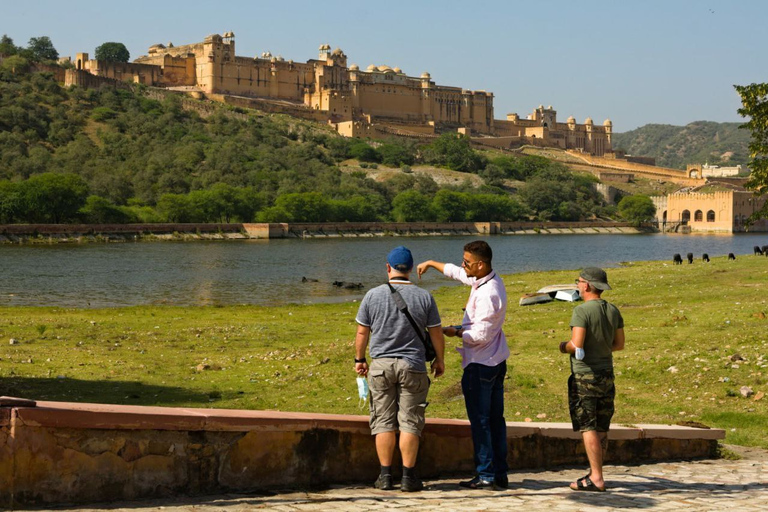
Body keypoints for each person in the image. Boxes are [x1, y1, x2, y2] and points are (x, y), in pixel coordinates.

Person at [416, 240, 509, 490]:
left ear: (480, 265)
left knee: (482, 422)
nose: (463, 265)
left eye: (467, 261)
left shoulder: (489, 293)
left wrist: (454, 332)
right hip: (493, 361)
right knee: (494, 420)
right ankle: (499, 473)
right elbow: (457, 273)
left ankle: (487, 474)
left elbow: (481, 336)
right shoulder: (483, 279)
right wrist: (431, 264)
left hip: (482, 364)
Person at [354, 246, 445, 492]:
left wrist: (359, 360)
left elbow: (362, 331)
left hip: (381, 366)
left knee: (383, 421)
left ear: (388, 268)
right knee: (410, 422)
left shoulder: (372, 295)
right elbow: (436, 334)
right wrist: (439, 360)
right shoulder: (425, 297)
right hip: (413, 366)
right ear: (411, 269)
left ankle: (384, 476)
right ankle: (408, 477)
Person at [559, 267, 625, 492]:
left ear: (586, 285)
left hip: (585, 376)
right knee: (602, 425)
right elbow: (619, 344)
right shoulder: (613, 310)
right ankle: (596, 472)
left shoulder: (582, 311)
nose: (577, 285)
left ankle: (596, 477)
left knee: (588, 426)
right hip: (607, 374)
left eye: (578, 282)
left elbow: (576, 344)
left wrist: (563, 346)